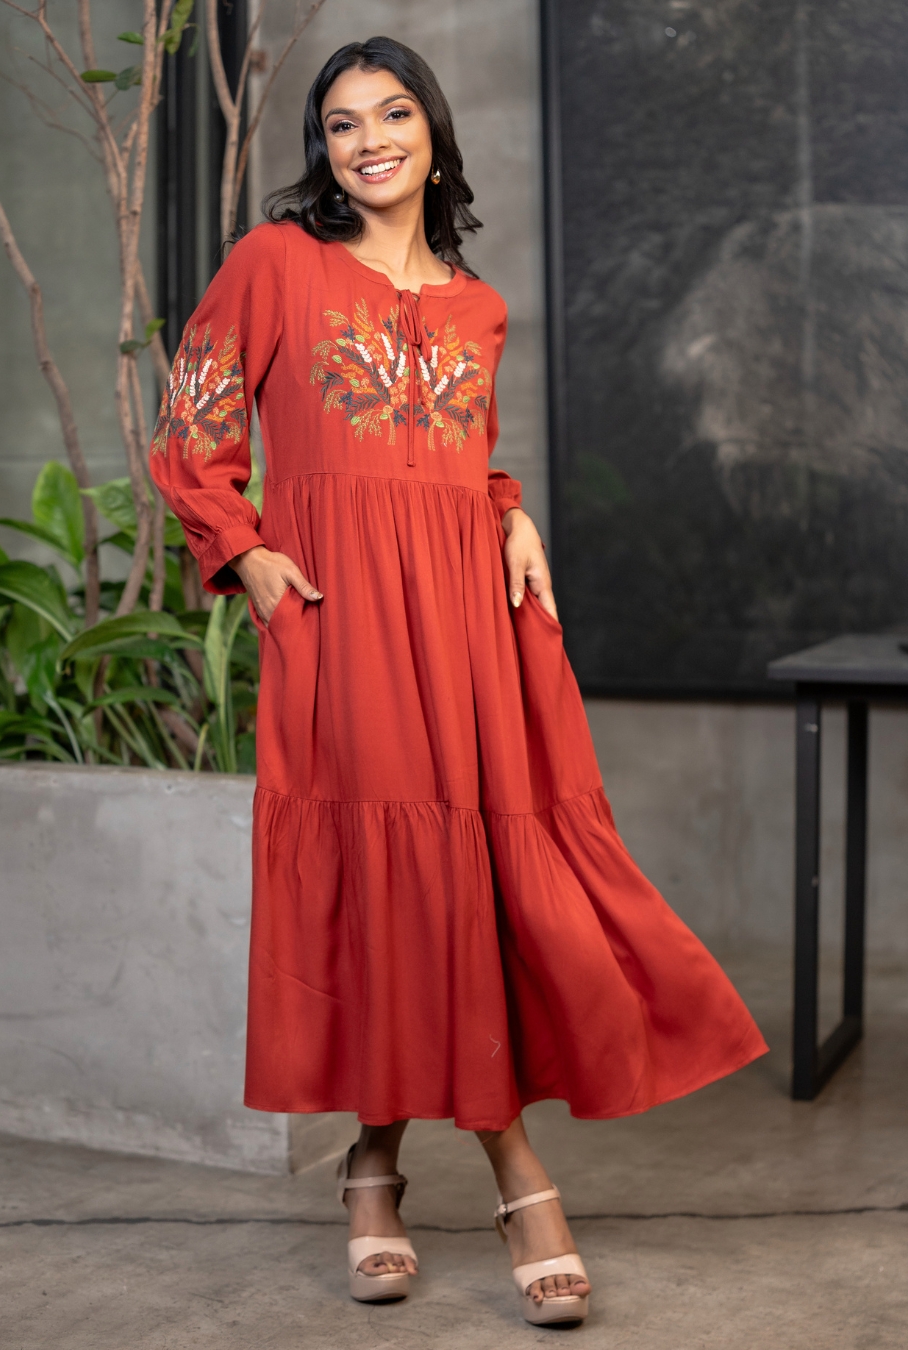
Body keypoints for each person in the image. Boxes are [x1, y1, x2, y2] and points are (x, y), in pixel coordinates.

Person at [150, 35, 768, 1328]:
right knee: (400, 874)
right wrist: (245, 552)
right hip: (341, 620)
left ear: (433, 134)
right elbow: (195, 420)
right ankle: (517, 1172)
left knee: (475, 875)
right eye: (340, 124)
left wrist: (510, 511)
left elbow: (456, 459)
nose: (367, 139)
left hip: (468, 619)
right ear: (321, 150)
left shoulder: (476, 306)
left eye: (391, 114)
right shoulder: (276, 263)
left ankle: (372, 1169)